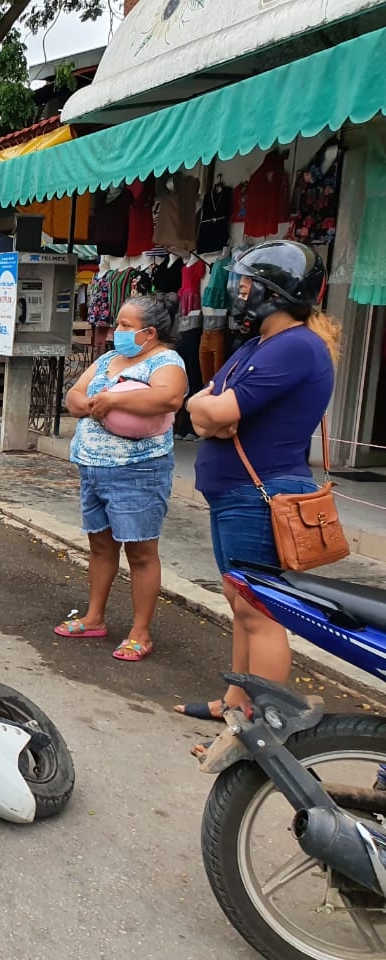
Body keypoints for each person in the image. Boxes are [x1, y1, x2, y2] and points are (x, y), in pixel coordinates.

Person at [179, 240, 339, 735]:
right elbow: (205, 407)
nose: (240, 291)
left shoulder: (295, 345)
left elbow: (217, 410)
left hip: (259, 493)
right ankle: (236, 703)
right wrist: (204, 409)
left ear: (277, 290)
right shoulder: (258, 345)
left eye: (249, 283)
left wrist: (205, 409)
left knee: (261, 612)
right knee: (241, 603)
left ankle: (265, 726)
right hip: (237, 492)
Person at [56, 296, 188, 661]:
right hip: (94, 467)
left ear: (150, 333)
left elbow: (169, 398)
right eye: (119, 324)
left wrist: (112, 401)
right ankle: (94, 616)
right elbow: (75, 395)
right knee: (100, 546)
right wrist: (90, 404)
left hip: (139, 470)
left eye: (127, 326)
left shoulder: (166, 362)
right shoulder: (107, 360)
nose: (119, 331)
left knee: (141, 552)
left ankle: (140, 632)